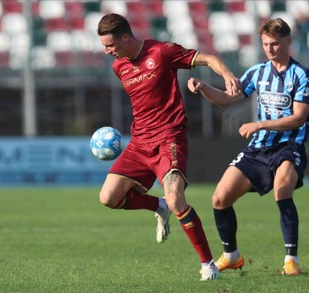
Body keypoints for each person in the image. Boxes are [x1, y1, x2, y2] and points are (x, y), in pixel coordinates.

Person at [96, 13, 239, 281]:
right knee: (108, 198)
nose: (107, 51)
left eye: (110, 45)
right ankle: (157, 206)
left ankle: (208, 264)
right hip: (139, 143)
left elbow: (206, 58)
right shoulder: (119, 67)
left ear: (125, 37)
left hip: (169, 138)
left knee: (177, 199)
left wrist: (227, 74)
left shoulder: (162, 52)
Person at [187, 18, 309, 276]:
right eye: (266, 44)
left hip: (289, 145)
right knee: (220, 198)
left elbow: (299, 118)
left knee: (282, 189)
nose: (270, 49)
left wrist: (260, 125)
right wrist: (203, 87)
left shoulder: (301, 74)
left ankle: (291, 259)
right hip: (259, 149)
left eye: (275, 43)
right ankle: (232, 256)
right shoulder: (258, 72)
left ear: (288, 42)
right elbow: (225, 99)